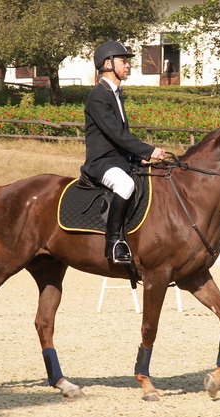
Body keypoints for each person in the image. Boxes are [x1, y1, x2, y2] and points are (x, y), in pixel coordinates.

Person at [81, 41, 166, 263]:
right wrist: (149, 151)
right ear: (107, 63)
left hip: (120, 160)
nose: (128, 65)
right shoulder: (98, 95)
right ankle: (113, 244)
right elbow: (116, 134)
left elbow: (119, 137)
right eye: (123, 61)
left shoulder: (116, 94)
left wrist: (138, 158)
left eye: (127, 61)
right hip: (102, 163)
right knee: (125, 185)